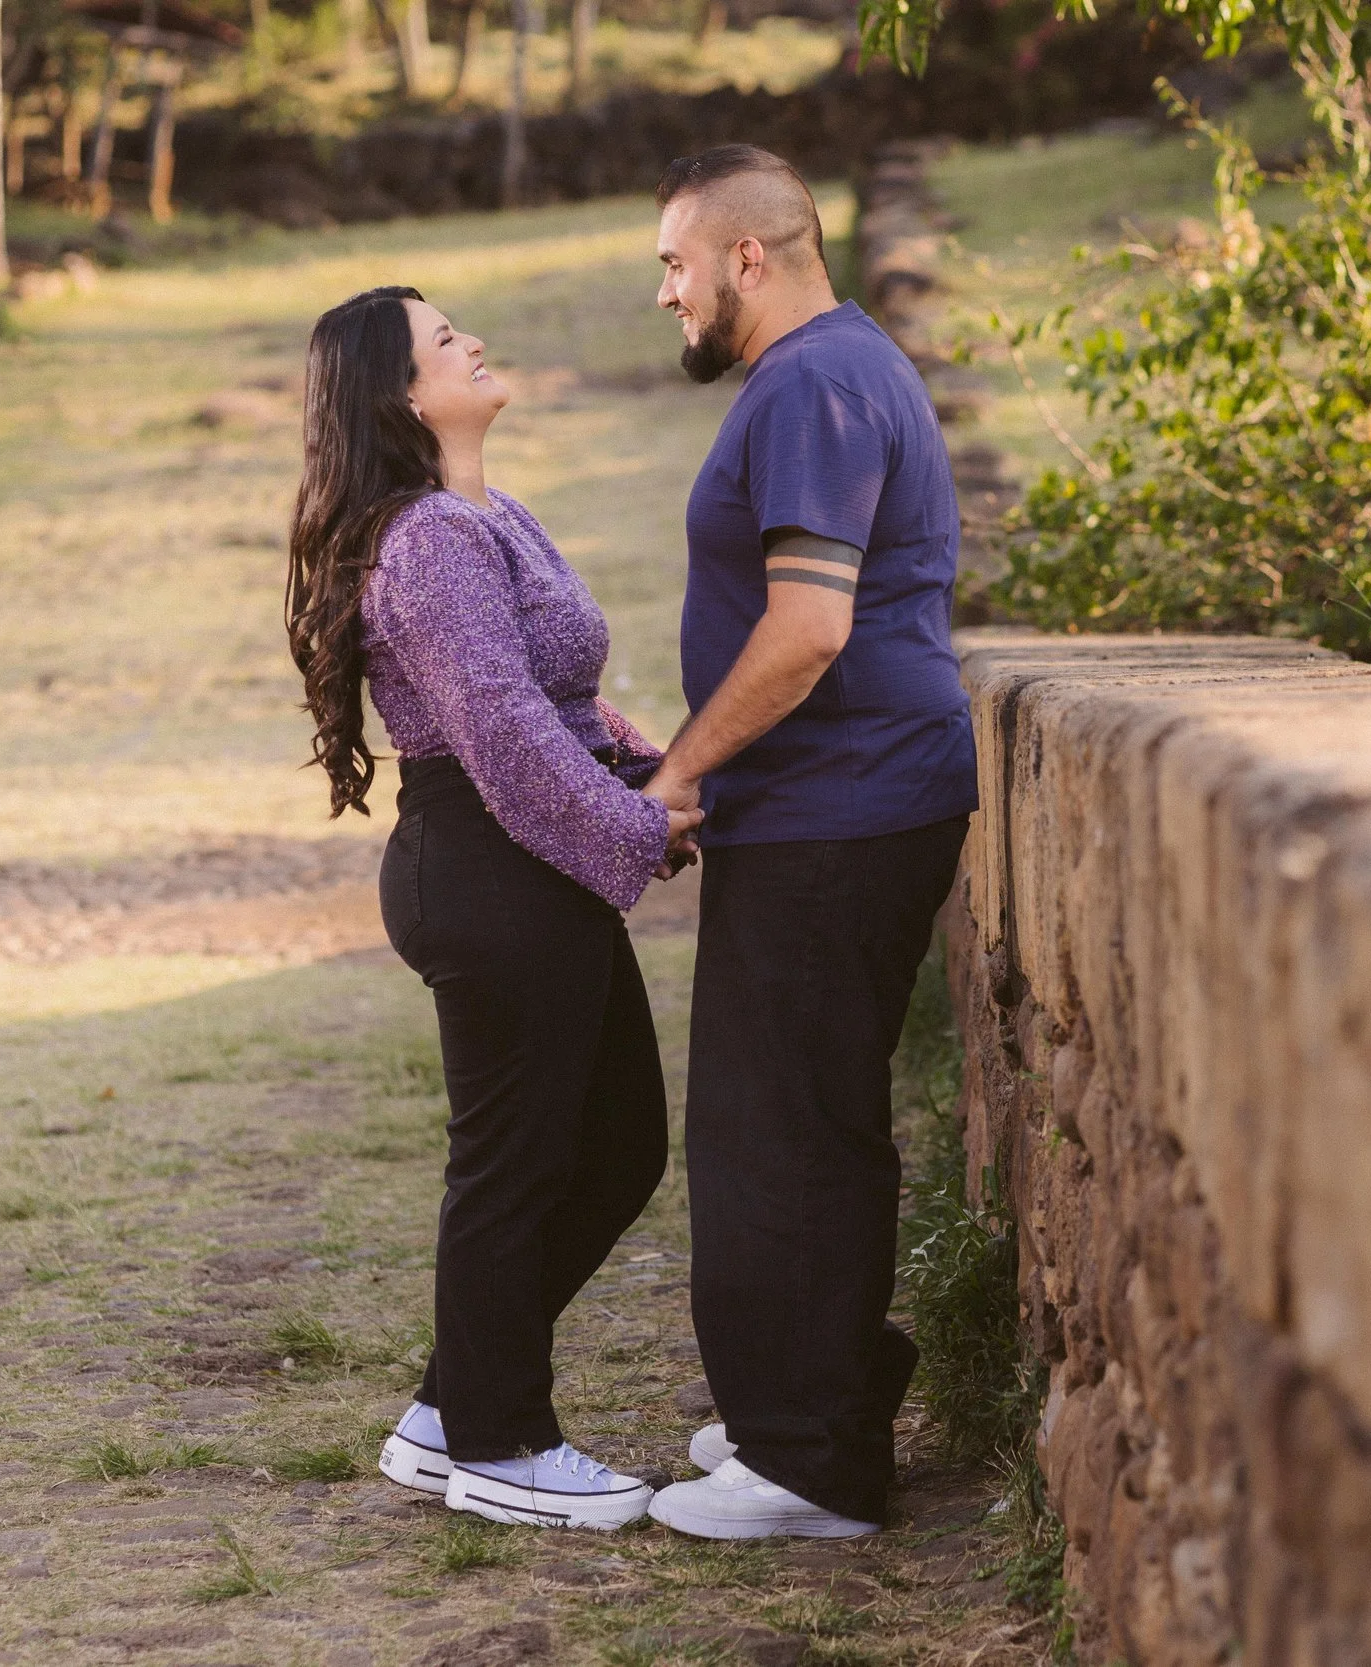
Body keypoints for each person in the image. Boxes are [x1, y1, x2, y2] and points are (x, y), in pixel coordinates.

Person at [283, 285, 702, 1532]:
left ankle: (443, 1411)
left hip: (525, 861)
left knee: (618, 1146)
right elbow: (506, 735)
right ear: (403, 397)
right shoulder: (428, 541)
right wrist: (636, 823)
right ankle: (506, 1443)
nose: (468, 338)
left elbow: (562, 699)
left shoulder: (486, 513)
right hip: (487, 863)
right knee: (513, 1166)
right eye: (439, 338)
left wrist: (659, 772)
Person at [639, 146, 980, 1540]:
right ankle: (806, 1403)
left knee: (782, 1130)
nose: (665, 294)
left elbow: (810, 624)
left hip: (843, 803)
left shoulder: (815, 383)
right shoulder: (827, 373)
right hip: (833, 801)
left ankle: (813, 1462)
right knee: (784, 1119)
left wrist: (679, 771)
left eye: (675, 263)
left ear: (748, 258)